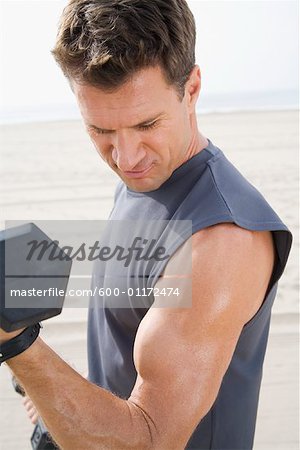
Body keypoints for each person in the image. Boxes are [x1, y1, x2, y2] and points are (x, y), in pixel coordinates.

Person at [0, 1, 292, 449]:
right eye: (101, 131)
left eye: (146, 124)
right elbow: (123, 360)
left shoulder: (222, 240)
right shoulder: (146, 176)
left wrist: (17, 343)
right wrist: (51, 396)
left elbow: (149, 440)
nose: (126, 157)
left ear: (191, 89)